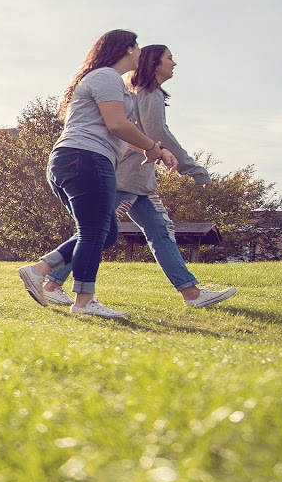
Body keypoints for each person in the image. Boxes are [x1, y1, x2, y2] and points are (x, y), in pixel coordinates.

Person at [40, 45, 235, 308]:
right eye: (170, 58)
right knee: (96, 232)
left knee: (159, 231)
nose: (174, 63)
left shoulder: (140, 92)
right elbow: (158, 134)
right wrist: (194, 169)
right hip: (126, 177)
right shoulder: (149, 93)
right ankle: (51, 282)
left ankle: (191, 294)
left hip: (139, 180)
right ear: (155, 63)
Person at [16, 29, 176, 319]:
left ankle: (39, 270)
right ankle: (84, 300)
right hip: (87, 159)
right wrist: (152, 147)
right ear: (127, 49)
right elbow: (117, 125)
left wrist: (157, 151)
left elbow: (120, 131)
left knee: (106, 233)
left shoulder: (106, 80)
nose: (141, 52)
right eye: (138, 47)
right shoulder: (106, 77)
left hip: (75, 160)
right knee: (93, 232)